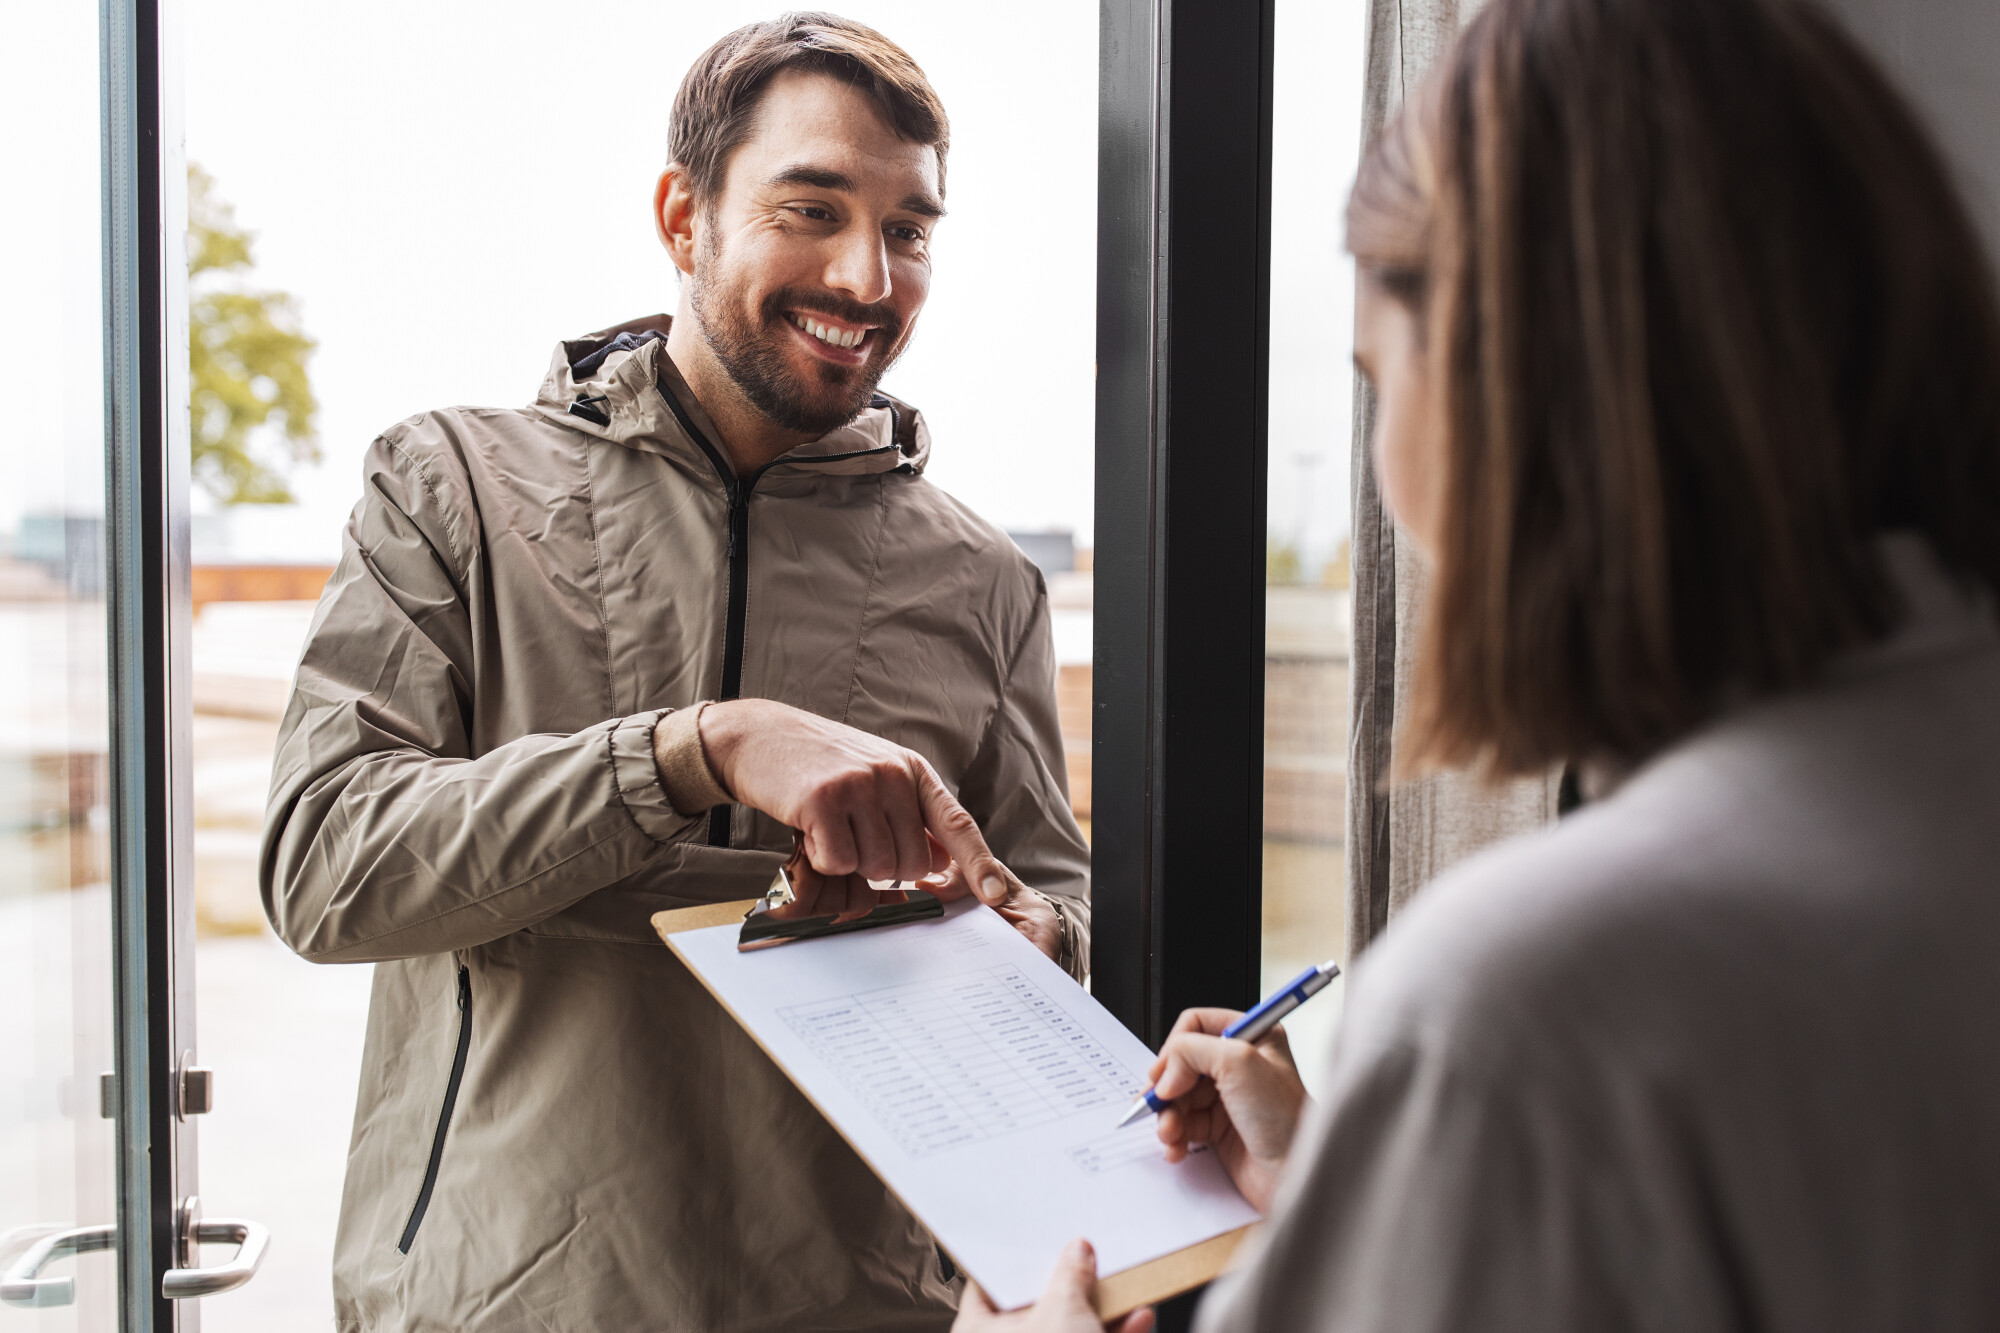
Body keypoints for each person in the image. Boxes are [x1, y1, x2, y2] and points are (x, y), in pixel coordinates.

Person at [961, 0, 2000, 1327]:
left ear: (1502, 389)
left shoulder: (1539, 1001)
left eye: (1379, 379)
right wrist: (1366, 1182)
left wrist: (1455, 1122)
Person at [261, 13, 1091, 1331]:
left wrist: (1034, 938)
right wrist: (689, 751)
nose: (869, 275)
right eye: (811, 209)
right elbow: (324, 870)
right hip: (492, 1304)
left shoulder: (987, 582)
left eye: (911, 230)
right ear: (682, 216)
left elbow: (1051, 906)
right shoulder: (450, 487)